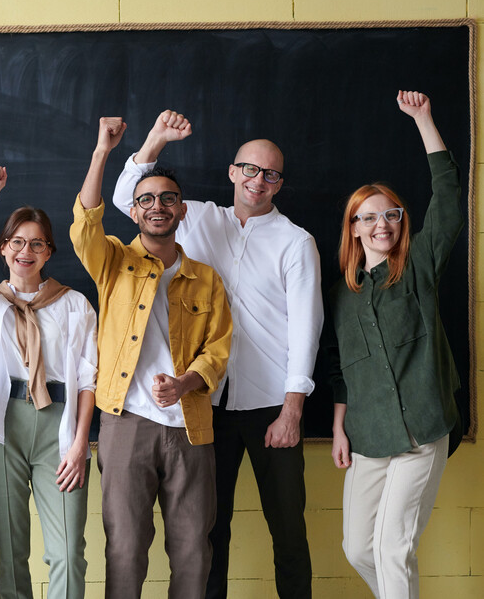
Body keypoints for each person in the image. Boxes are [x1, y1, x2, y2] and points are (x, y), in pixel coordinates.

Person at [113, 110, 322, 598]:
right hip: (206, 405)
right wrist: (155, 141)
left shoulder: (296, 242)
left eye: (270, 174)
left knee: (289, 532)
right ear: (233, 173)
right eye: (249, 169)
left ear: (279, 184)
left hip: (273, 405)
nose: (258, 180)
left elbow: (307, 331)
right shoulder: (196, 217)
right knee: (209, 534)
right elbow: (129, 198)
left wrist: (293, 409)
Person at [74, 117, 232, 597]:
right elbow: (84, 223)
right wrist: (102, 150)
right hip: (125, 423)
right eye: (146, 200)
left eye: (167, 199)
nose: (157, 206)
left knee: (192, 549)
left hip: (191, 424)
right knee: (124, 546)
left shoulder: (206, 278)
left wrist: (186, 383)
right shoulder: (113, 261)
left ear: (182, 210)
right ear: (134, 211)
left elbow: (219, 347)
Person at [328, 91, 461, 598]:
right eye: (368, 217)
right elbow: (340, 366)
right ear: (354, 228)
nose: (380, 224)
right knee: (360, 549)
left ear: (401, 224)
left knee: (392, 549)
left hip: (423, 430)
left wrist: (424, 119)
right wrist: (339, 429)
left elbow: (448, 197)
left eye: (391, 215)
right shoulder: (341, 293)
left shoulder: (419, 268)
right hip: (368, 437)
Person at [0, 166, 98, 599]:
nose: (26, 251)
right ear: (3, 249)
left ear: (49, 252)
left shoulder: (75, 305)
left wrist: (79, 443)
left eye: (36, 243)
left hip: (60, 429)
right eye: (17, 242)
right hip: (2, 427)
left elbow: (89, 379)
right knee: (10, 552)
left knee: (69, 553)